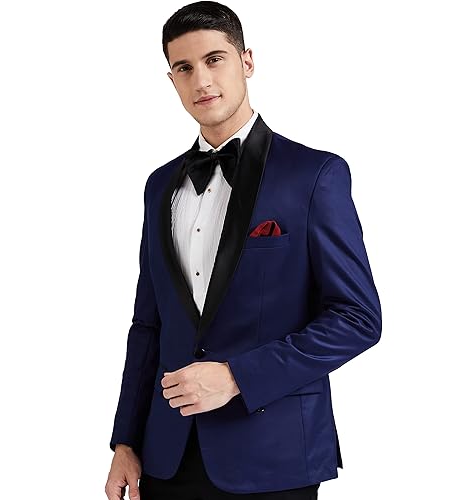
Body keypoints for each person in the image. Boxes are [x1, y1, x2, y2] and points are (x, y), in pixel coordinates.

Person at [105, 2, 382, 499]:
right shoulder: (159, 185)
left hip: (273, 454)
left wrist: (237, 377)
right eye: (184, 68)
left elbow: (357, 318)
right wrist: (125, 441)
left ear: (247, 61)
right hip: (167, 456)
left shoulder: (314, 175)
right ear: (171, 80)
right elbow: (148, 323)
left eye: (215, 59)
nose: (201, 80)